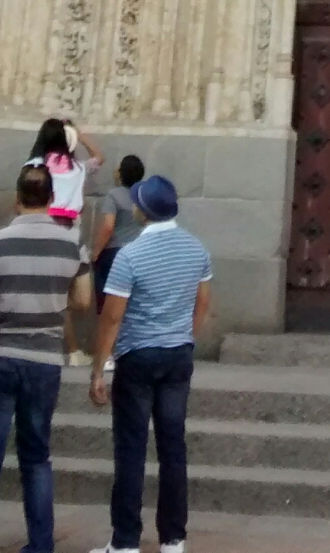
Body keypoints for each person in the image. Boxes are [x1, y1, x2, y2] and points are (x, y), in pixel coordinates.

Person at [0, 163, 91, 553]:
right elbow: (84, 300)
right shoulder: (72, 244)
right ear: (52, 199)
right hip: (45, 359)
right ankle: (40, 544)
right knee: (36, 457)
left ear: (17, 199)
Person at [89, 175, 212, 553]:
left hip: (137, 356)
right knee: (173, 447)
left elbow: (112, 317)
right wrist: (185, 337)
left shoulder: (129, 256)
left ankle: (125, 541)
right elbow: (202, 302)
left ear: (143, 211)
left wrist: (98, 367)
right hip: (178, 355)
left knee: (131, 449)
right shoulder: (197, 249)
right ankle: (173, 538)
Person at [27, 117, 105, 368]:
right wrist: (79, 135)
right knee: (72, 294)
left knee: (44, 290)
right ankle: (71, 348)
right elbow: (99, 157)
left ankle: (66, 345)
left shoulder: (36, 166)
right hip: (70, 233)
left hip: (42, 228)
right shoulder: (78, 168)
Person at [92, 156, 145, 312]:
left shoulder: (114, 195)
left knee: (107, 303)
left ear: (121, 173)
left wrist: (96, 253)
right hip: (138, 252)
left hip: (114, 253)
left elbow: (108, 227)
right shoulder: (143, 195)